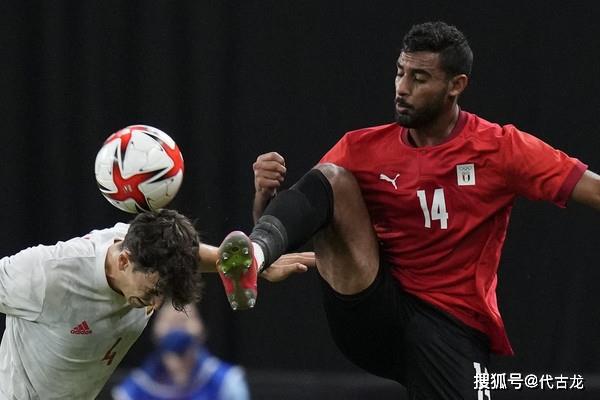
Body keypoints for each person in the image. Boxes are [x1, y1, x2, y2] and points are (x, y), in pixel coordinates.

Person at [216, 21, 600, 399]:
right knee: (333, 178)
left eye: (419, 78)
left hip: (452, 325)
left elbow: (593, 189)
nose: (402, 88)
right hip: (374, 309)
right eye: (400, 72)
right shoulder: (361, 148)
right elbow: (308, 209)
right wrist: (263, 203)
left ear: (456, 85)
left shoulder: (500, 149)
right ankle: (256, 250)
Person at [0, 208, 313, 399]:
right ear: (124, 261)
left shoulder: (141, 249)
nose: (154, 302)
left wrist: (248, 263)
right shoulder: (43, 274)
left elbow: (188, 255)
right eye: (151, 291)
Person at [112, 302, 250, 400]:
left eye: (184, 320)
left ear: (202, 330)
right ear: (154, 332)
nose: (177, 326)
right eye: (169, 321)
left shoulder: (227, 382)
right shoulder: (134, 390)